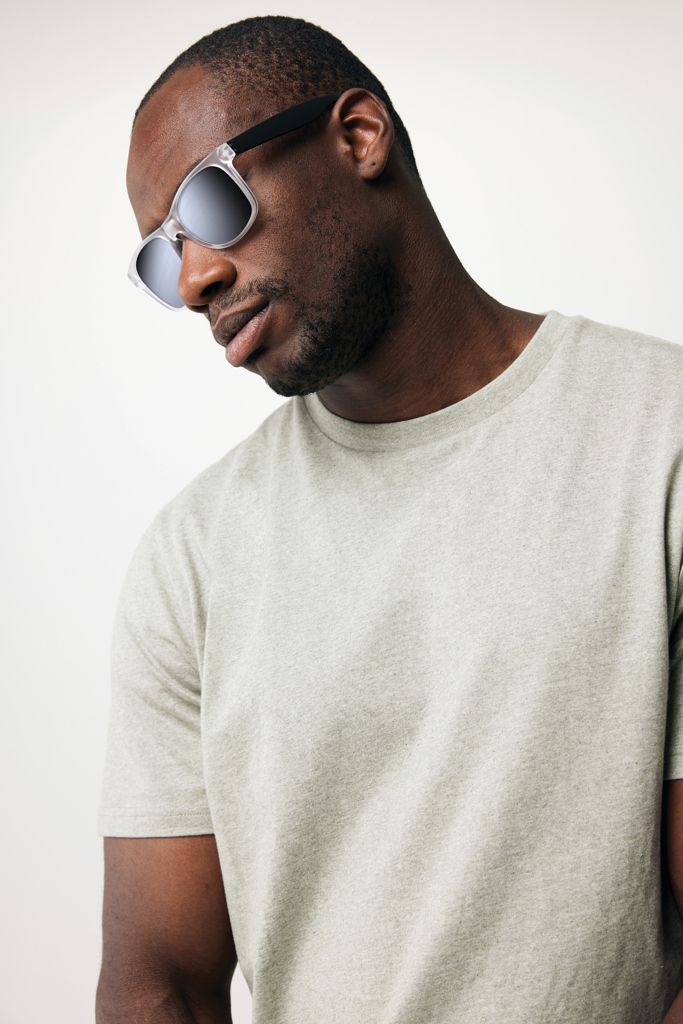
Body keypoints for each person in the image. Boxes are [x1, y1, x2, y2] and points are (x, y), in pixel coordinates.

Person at [96, 15, 683, 1024]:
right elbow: (160, 986)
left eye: (209, 202)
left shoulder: (656, 441)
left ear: (359, 136)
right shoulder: (192, 558)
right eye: (164, 254)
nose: (194, 279)